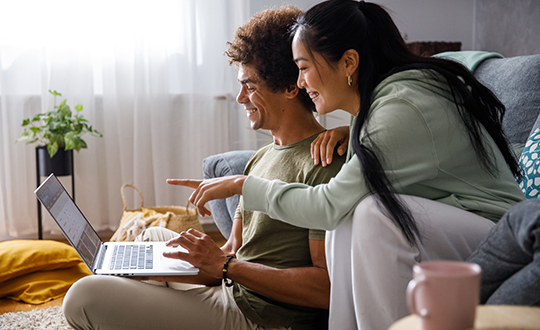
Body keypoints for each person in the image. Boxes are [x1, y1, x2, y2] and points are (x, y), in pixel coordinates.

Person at [167, 1, 526, 329]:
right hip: (457, 224)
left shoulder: (402, 108)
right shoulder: (383, 105)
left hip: (499, 240)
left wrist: (242, 185)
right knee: (352, 217)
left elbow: (326, 205)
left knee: (372, 214)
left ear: (349, 63)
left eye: (304, 67)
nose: (301, 81)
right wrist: (352, 130)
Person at [63, 6, 346, 330]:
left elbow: (325, 289)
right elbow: (233, 251)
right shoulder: (262, 156)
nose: (240, 98)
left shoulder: (324, 159)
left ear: (290, 87)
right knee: (151, 237)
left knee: (81, 297)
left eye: (250, 86)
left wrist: (222, 265)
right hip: (231, 286)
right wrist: (192, 262)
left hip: (257, 316)